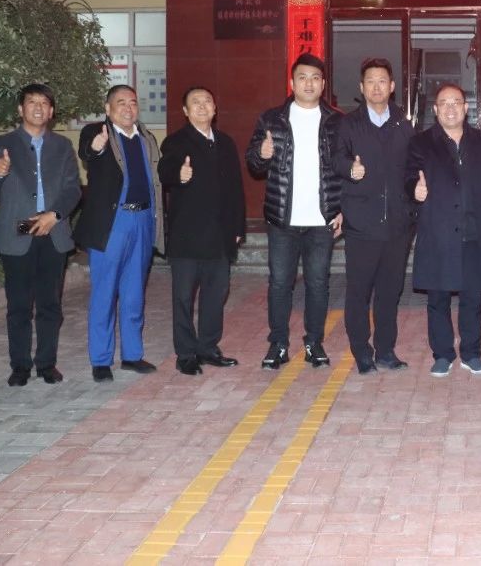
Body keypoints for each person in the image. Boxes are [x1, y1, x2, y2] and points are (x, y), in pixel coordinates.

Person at [245, 53, 343, 371]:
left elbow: (344, 169)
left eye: (315, 78)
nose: (309, 83)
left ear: (323, 84)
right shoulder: (272, 119)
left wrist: (341, 209)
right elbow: (253, 162)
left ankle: (314, 343)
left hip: (321, 219)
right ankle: (278, 344)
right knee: (279, 284)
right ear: (292, 82)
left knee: (318, 283)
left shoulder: (337, 121)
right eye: (302, 77)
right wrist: (261, 154)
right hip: (282, 219)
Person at [0, 83, 81, 387]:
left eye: (44, 103)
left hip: (52, 230)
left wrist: (54, 215)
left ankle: (47, 364)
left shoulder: (63, 146)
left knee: (50, 305)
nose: (38, 107)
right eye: (32, 102)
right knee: (19, 306)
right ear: (20, 109)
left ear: (51, 111)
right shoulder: (2, 143)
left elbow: (73, 189)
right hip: (18, 233)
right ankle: (20, 366)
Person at [407, 84, 481, 377]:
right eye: (444, 103)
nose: (450, 108)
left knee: (473, 297)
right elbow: (408, 177)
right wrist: (414, 189)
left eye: (456, 102)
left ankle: (471, 354)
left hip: (473, 230)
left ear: (466, 108)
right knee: (438, 298)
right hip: (437, 230)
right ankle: (443, 354)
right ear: (435, 110)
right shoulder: (421, 142)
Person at [74, 84, 165, 383]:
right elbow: (87, 151)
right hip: (113, 223)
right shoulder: (97, 132)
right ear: (108, 108)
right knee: (104, 292)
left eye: (133, 102)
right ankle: (101, 360)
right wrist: (96, 147)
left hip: (142, 220)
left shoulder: (147, 138)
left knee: (134, 291)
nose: (128, 108)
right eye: (121, 102)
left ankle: (132, 355)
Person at [157, 87, 246, 376]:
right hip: (188, 236)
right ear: (185, 111)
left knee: (216, 295)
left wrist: (237, 227)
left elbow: (236, 188)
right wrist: (178, 175)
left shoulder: (225, 142)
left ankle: (208, 347)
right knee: (183, 298)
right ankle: (185, 354)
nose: (202, 106)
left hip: (220, 235)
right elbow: (164, 170)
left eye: (207, 101)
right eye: (195, 102)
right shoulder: (176, 141)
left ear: (215, 108)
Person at [334, 57, 415, 374]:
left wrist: (414, 200)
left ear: (392, 86)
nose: (377, 87)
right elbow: (335, 158)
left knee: (389, 293)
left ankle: (385, 350)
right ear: (361, 87)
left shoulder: (404, 125)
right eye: (370, 81)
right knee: (359, 292)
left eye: (382, 81)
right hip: (362, 223)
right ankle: (361, 351)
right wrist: (349, 168)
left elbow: (413, 168)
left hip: (397, 224)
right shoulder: (349, 124)